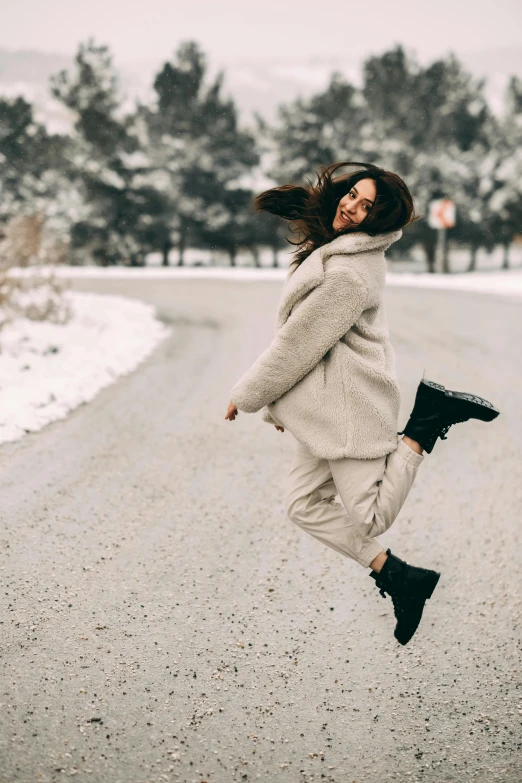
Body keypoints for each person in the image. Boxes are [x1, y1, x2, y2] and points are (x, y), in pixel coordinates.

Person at [224, 161, 499, 645]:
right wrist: (285, 405)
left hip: (349, 406)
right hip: (326, 406)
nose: (351, 206)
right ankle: (399, 577)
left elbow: (299, 342)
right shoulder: (339, 253)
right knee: (303, 504)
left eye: (366, 205)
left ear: (379, 219)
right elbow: (308, 345)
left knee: (371, 516)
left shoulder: (351, 272)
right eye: (352, 194)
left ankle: (425, 424)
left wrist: (248, 395)